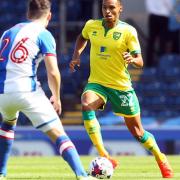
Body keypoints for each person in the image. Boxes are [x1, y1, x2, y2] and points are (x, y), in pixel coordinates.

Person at [69, 0, 174, 178]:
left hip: (121, 87)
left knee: (138, 132)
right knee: (86, 104)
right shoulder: (91, 25)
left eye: (112, 8)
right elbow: (82, 37)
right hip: (98, 83)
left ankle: (160, 158)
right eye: (104, 7)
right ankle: (104, 155)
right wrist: (76, 55)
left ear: (120, 9)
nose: (107, 11)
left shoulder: (128, 31)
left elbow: (140, 61)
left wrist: (132, 59)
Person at [0, 0, 95, 180]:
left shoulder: (7, 32)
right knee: (59, 134)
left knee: (8, 123)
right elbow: (53, 72)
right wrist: (56, 98)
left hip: (2, 92)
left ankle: (1, 173)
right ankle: (82, 176)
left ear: (28, 14)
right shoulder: (44, 34)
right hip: (26, 90)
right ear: (49, 16)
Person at [145, 0, 173, 67]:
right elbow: (168, 3)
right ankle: (161, 64)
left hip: (152, 15)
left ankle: (149, 63)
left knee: (151, 41)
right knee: (162, 41)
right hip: (163, 16)